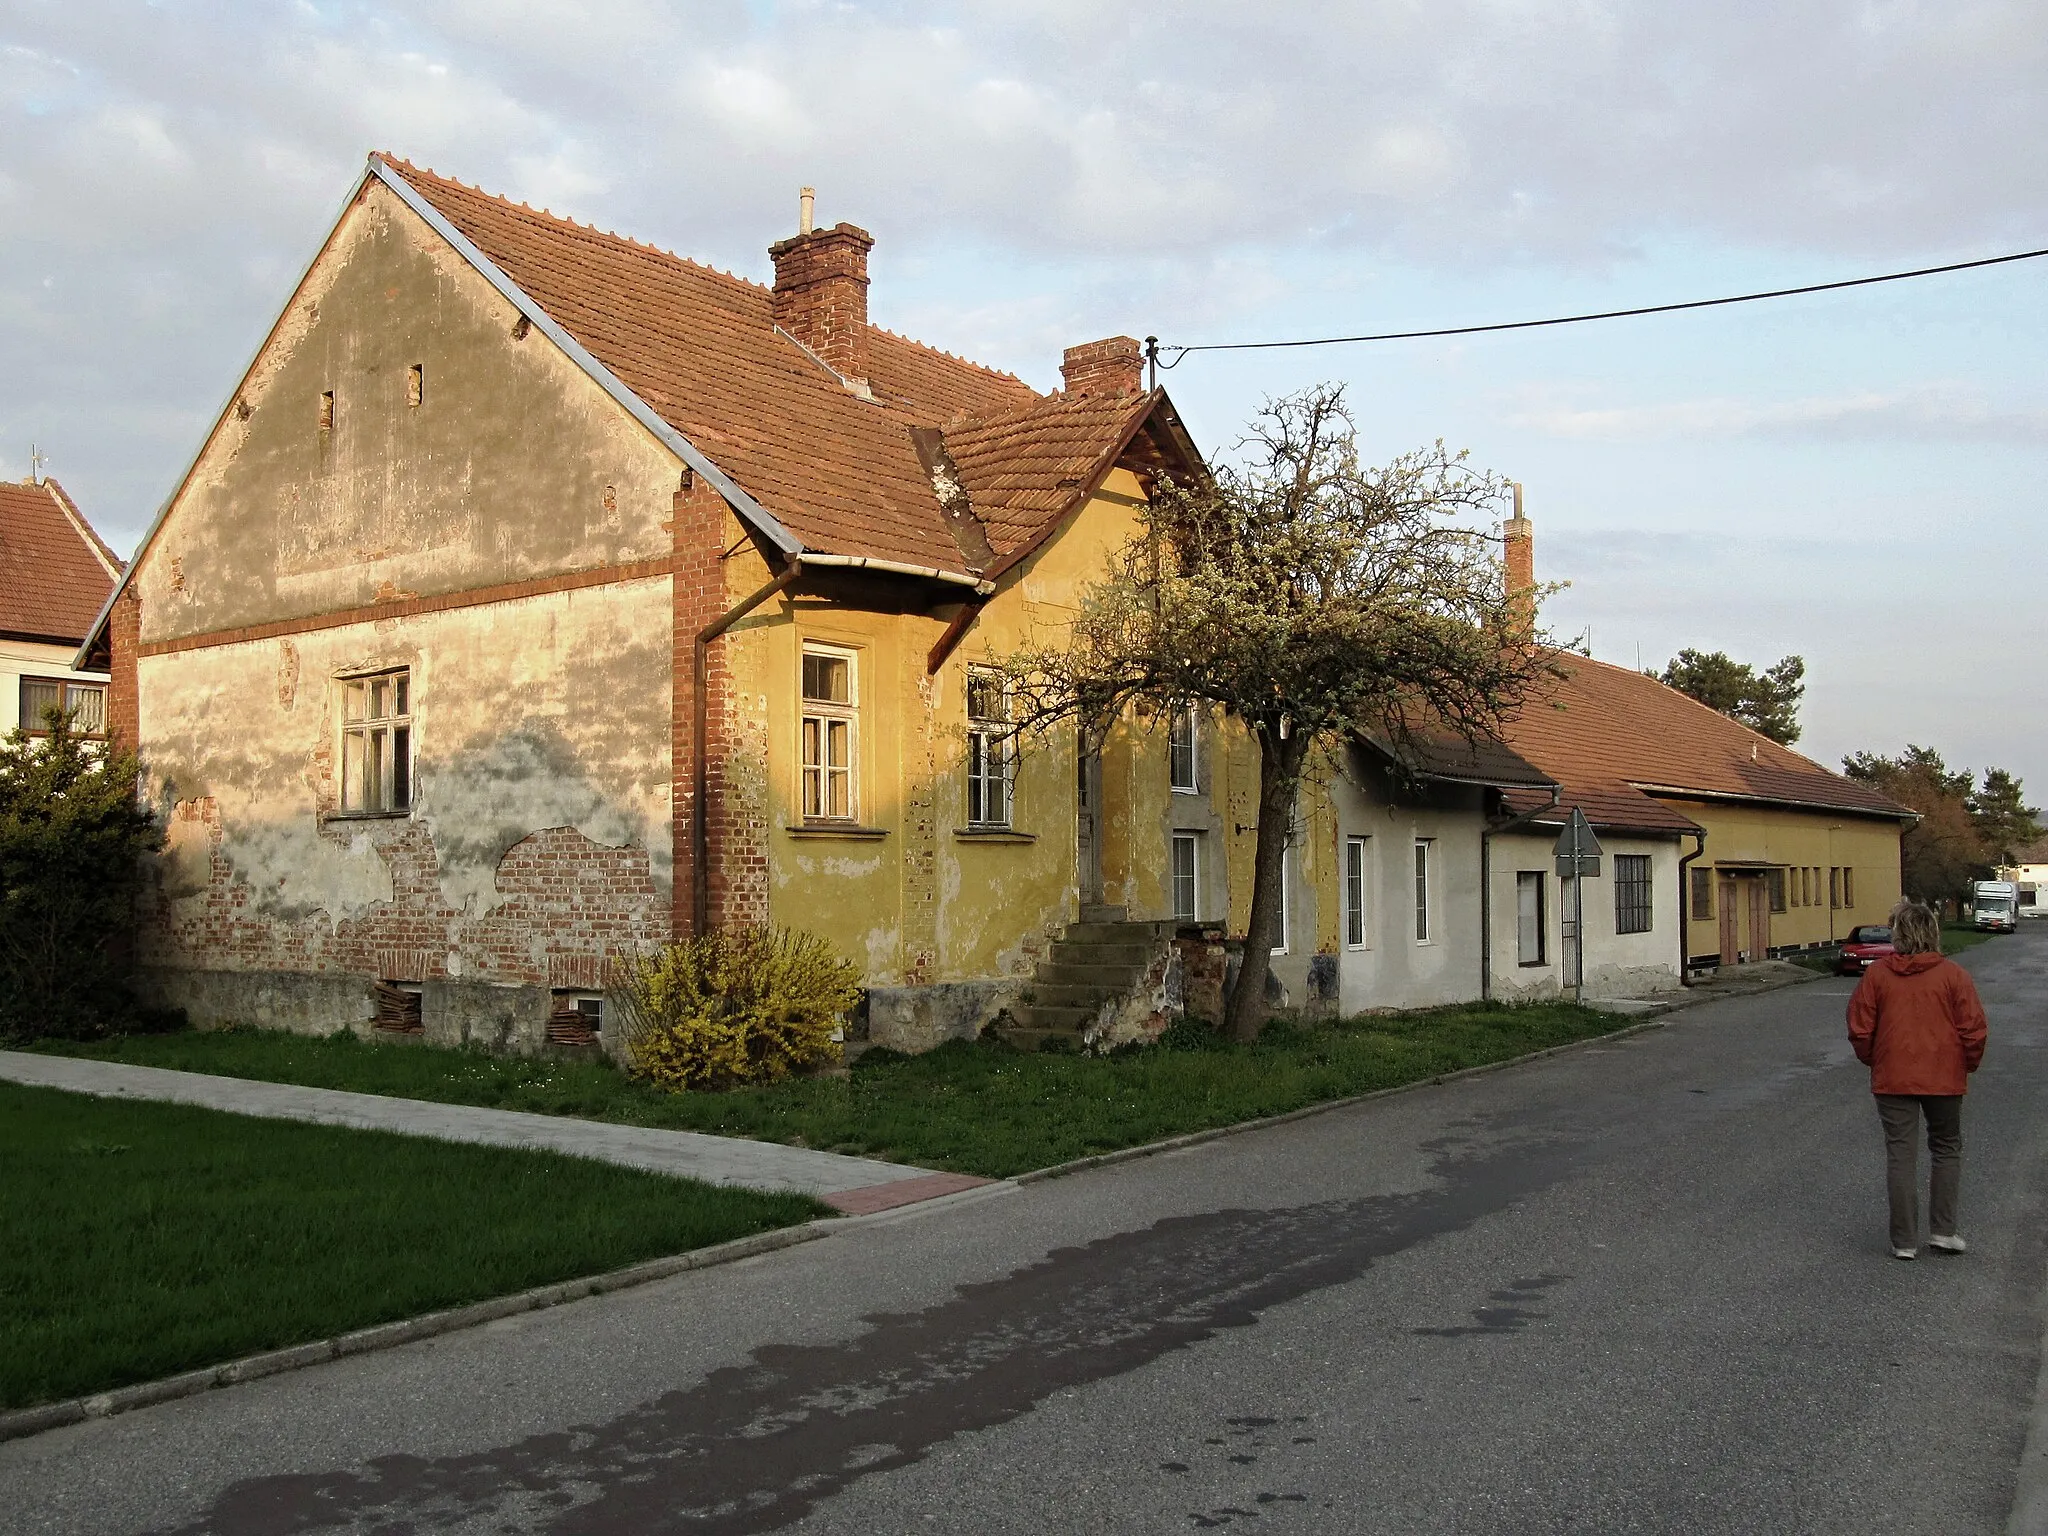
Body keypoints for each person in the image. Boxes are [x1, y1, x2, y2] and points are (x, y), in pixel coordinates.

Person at [1846, 900, 1988, 1259]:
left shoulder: (1878, 975)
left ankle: (1904, 1241)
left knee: (1901, 1154)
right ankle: (1943, 1230)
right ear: (1932, 933)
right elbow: (1973, 1029)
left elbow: (1860, 1027)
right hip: (1944, 1076)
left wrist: (1874, 1059)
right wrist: (1966, 1064)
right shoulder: (1954, 976)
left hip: (1893, 1076)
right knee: (1946, 1148)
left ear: (1898, 933)